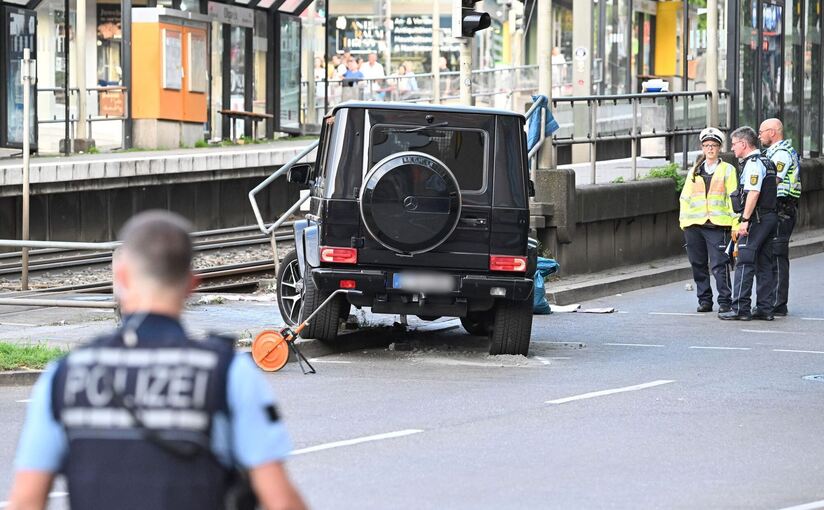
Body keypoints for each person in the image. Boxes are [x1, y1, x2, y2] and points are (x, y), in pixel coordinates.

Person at [7, 211, 307, 510]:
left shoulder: (64, 376)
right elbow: (280, 501)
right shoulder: (227, 374)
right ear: (192, 285)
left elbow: (26, 501)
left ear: (121, 276)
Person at [719, 127, 778, 321]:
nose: (733, 148)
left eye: (734, 144)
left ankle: (740, 308)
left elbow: (753, 193)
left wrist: (745, 220)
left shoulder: (753, 164)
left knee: (744, 261)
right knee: (765, 263)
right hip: (769, 217)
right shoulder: (767, 161)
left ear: (743, 144)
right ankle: (765, 308)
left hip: (757, 219)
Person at [679, 127, 739, 314]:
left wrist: (735, 224)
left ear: (719, 148)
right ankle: (704, 300)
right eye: (706, 145)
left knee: (719, 265)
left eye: (713, 145)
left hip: (717, 224)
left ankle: (725, 300)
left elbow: (734, 198)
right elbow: (685, 197)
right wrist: (683, 221)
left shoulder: (727, 170)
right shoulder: (695, 170)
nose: (710, 149)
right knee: (698, 264)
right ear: (702, 147)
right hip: (694, 224)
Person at [759, 118, 801, 316]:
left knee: (777, 255)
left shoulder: (781, 153)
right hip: (779, 208)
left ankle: (777, 303)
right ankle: (771, 301)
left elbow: (773, 180)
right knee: (772, 254)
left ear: (773, 132)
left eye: (762, 131)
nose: (759, 135)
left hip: (782, 208)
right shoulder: (773, 152)